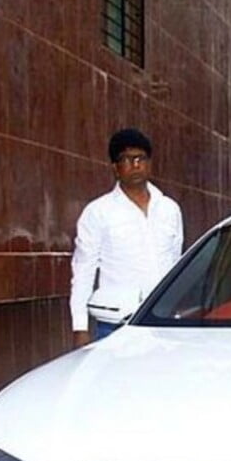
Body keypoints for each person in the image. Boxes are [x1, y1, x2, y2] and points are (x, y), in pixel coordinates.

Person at [70, 128, 184, 346]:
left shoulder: (169, 209)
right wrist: (80, 327)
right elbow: (83, 270)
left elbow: (176, 265)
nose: (135, 165)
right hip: (115, 325)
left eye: (140, 158)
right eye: (127, 159)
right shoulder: (98, 212)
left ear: (149, 163)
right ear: (115, 168)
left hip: (163, 323)